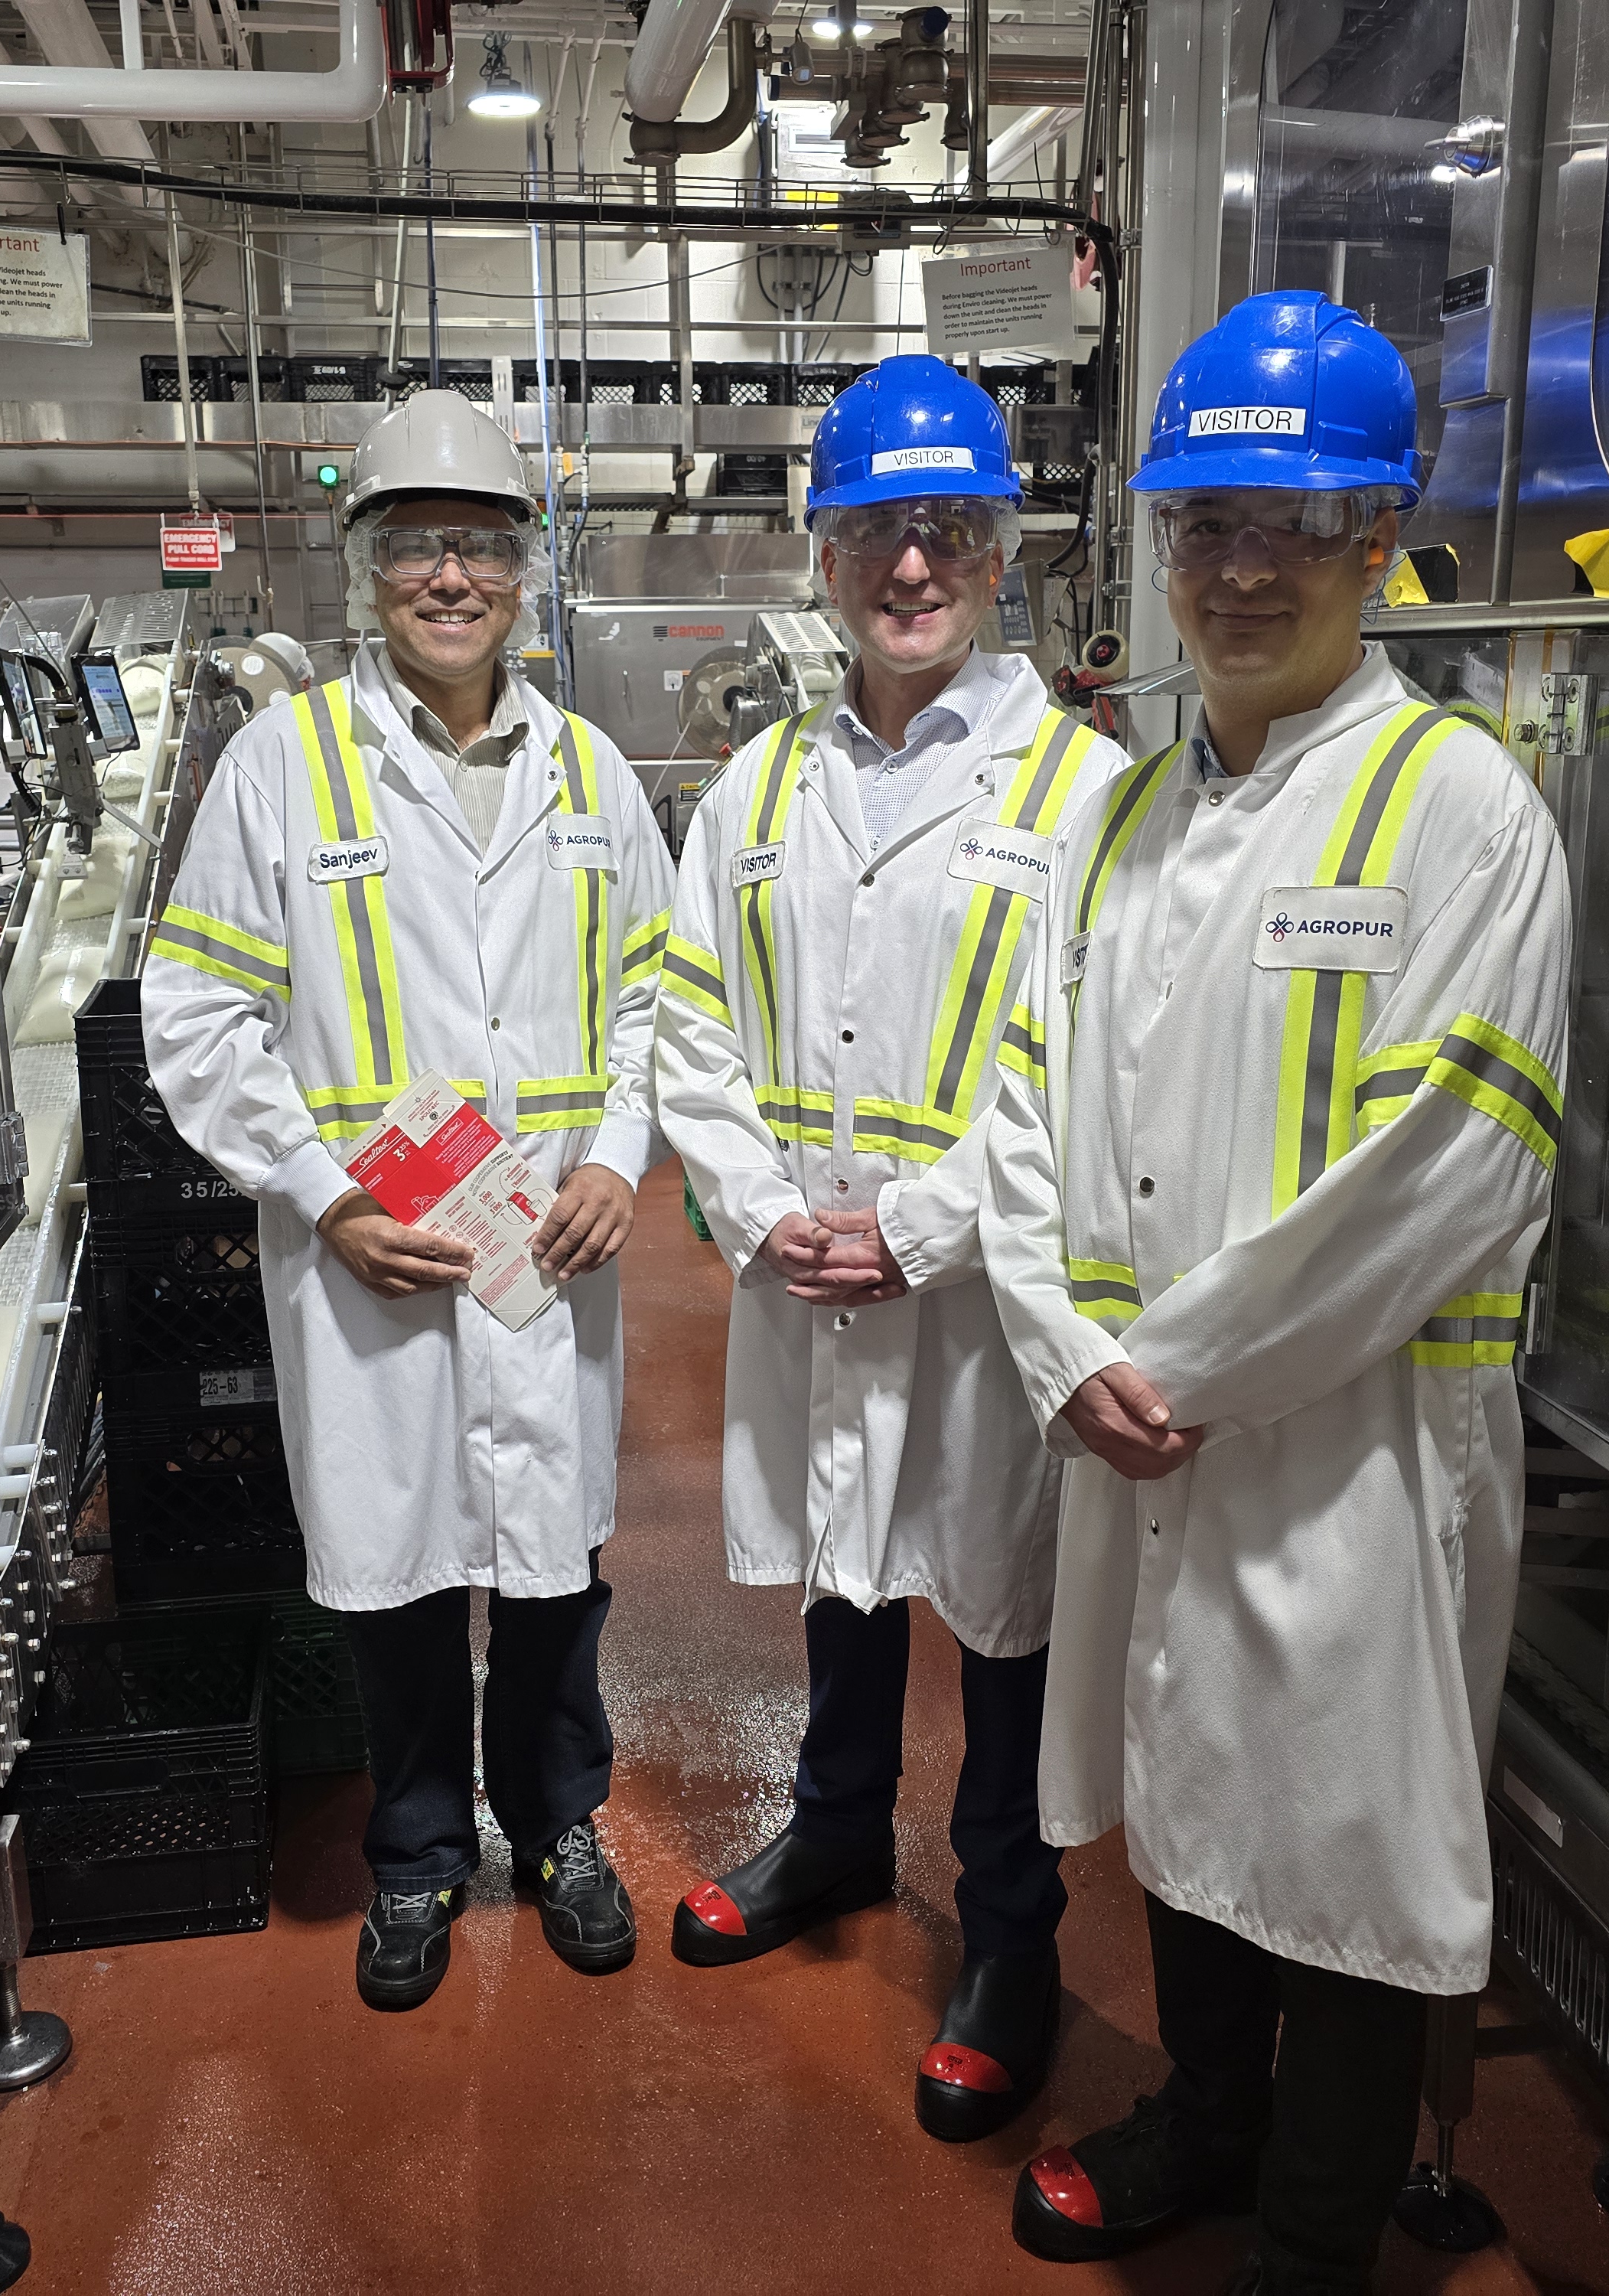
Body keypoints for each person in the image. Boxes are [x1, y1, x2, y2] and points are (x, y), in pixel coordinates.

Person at [978, 289, 1573, 2292]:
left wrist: (1180, 1374)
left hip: (1355, 1446)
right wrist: (1067, 1360)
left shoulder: (1457, 808)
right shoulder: (1129, 814)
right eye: (1205, 520)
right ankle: (1201, 2122)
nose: (1238, 569)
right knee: (1189, 1799)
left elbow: (1450, 1172)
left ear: (1381, 536)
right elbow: (1016, 1114)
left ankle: (1315, 2233)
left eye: (1291, 524)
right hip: (1138, 1433)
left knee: (1343, 1845)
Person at [142, 390, 674, 2011]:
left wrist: (614, 1156)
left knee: (552, 1564)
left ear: (524, 570)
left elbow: (661, 1000)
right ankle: (418, 1854)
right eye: (416, 545)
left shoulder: (588, 772)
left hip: (544, 1254)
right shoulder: (281, 769)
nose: (451, 575)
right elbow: (196, 1013)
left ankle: (560, 1826)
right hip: (374, 1257)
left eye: (481, 546)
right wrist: (320, 1195)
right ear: (365, 568)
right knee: (395, 1570)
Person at [655, 355, 1127, 2139]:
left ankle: (1010, 1934)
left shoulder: (1078, 788)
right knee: (841, 1569)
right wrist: (768, 1213)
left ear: (1000, 554)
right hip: (808, 1277)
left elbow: (1082, 1057)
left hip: (982, 1285)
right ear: (823, 556)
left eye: (944, 530)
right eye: (873, 532)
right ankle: (839, 1834)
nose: (908, 564)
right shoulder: (760, 787)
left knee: (1001, 1606)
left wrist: (918, 1230)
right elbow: (680, 1017)